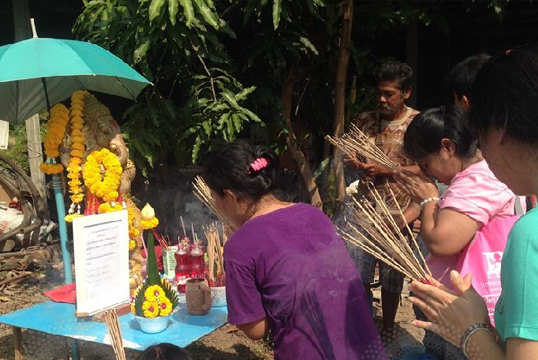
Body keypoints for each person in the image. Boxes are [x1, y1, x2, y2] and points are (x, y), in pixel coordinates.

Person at [407, 44, 538, 360]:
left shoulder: (530, 235)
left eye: (478, 135)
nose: (480, 153)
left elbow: (442, 240)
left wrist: (471, 331)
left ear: (499, 130)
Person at [203, 140, 387, 360]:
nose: (216, 206)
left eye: (215, 199)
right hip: (365, 349)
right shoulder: (312, 213)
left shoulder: (239, 246)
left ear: (231, 197)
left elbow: (256, 330)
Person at [394, 105, 518, 360]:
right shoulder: (476, 177)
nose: (426, 173)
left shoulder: (476, 181)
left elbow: (441, 242)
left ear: (448, 147)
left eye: (426, 164)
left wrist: (428, 200)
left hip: (467, 307)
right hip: (460, 304)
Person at [342, 60, 421, 331]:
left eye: (389, 94)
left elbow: (428, 167)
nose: (382, 99)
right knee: (358, 273)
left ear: (406, 93)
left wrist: (389, 170)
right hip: (364, 211)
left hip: (399, 215)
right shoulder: (364, 120)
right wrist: (352, 160)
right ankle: (363, 327)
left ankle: (388, 328)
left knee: (391, 276)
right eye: (379, 92)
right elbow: (347, 151)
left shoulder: (417, 124)